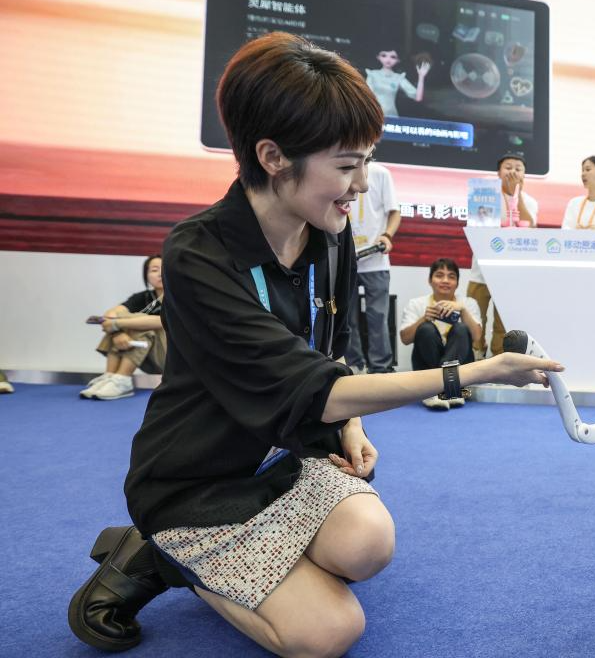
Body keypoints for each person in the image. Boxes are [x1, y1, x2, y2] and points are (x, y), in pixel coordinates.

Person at [67, 32, 562, 656]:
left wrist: (349, 426)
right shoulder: (197, 252)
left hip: (286, 455)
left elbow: (331, 358)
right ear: (273, 157)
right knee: (328, 633)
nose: (362, 185)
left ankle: (250, 561)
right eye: (347, 166)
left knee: (368, 545)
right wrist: (477, 371)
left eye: (367, 163)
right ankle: (164, 552)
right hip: (196, 480)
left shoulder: (330, 236)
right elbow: (313, 388)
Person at [467, 153, 538, 357]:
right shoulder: (484, 195)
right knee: (475, 317)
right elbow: (478, 228)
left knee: (503, 323)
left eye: (518, 168)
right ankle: (475, 356)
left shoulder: (530, 201)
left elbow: (531, 229)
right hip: (481, 271)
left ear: (524, 175)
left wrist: (518, 194)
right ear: (498, 173)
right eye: (508, 167)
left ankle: (499, 361)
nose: (513, 171)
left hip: (510, 274)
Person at [80, 255, 167, 400]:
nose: (159, 274)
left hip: (171, 357)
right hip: (145, 353)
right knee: (121, 321)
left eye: (164, 269)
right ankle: (111, 376)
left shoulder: (177, 296)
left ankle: (122, 380)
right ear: (146, 276)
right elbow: (110, 314)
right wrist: (118, 332)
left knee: (140, 326)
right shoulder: (143, 297)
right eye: (154, 270)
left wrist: (117, 324)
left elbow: (162, 321)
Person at [400, 258, 482, 409]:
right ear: (430, 280)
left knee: (461, 328)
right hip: (426, 368)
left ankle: (444, 388)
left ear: (457, 283)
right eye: (439, 275)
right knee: (426, 328)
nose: (445, 280)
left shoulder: (468, 303)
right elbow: (405, 339)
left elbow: (476, 337)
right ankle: (440, 389)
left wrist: (463, 311)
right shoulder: (416, 304)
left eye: (451, 276)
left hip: (459, 370)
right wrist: (423, 319)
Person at [345, 161, 400, 374]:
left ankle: (380, 368)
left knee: (378, 317)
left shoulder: (381, 173)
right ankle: (353, 366)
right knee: (345, 318)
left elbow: (394, 212)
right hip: (346, 259)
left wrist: (387, 235)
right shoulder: (340, 166)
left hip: (375, 259)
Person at [365, 49, 430, 118]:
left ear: (398, 60)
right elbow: (366, 96)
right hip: (373, 115)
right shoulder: (372, 74)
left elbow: (418, 97)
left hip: (391, 116)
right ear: (378, 57)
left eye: (393, 57)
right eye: (384, 55)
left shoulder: (398, 78)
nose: (388, 59)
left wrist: (421, 77)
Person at [561, 156, 595, 230]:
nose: (583, 174)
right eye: (582, 170)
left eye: (588, 169)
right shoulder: (574, 203)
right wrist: (574, 232)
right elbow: (565, 230)